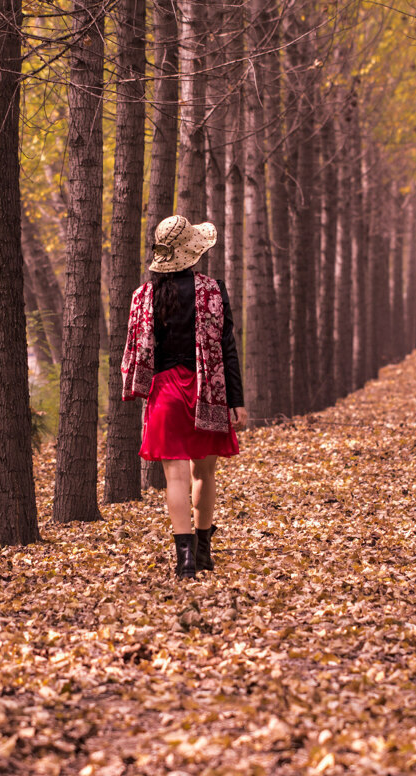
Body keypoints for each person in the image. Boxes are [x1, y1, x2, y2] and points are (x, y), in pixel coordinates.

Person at [121, 215, 247, 579]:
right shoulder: (213, 291)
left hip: (165, 393)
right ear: (192, 252)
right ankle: (205, 551)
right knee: (204, 473)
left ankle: (185, 560)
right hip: (205, 389)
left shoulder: (144, 297)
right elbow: (227, 349)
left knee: (174, 477)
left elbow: (134, 350)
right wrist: (236, 400)